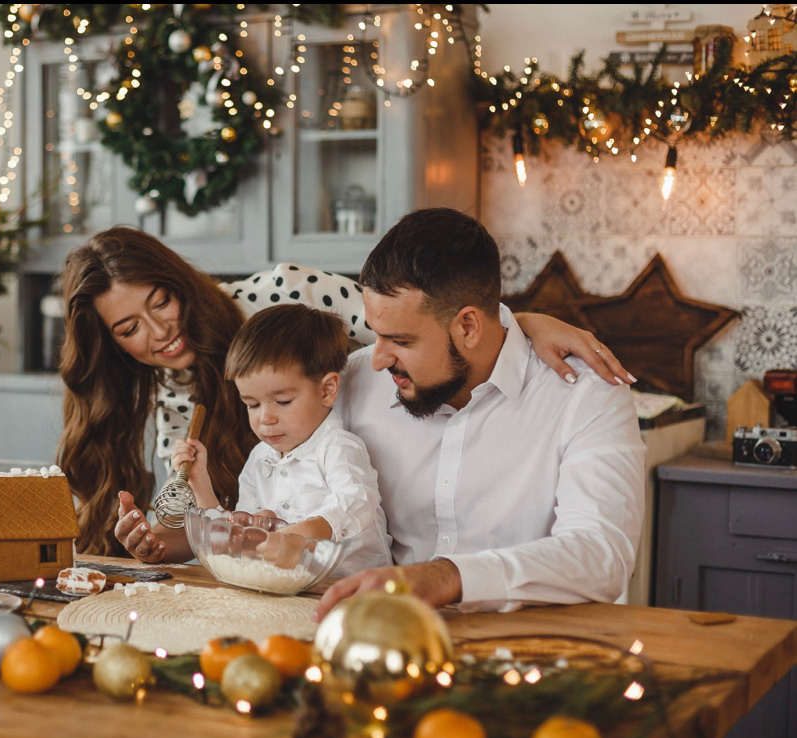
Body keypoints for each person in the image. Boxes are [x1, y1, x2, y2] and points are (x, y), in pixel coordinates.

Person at [57, 225, 630, 558]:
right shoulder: (176, 400)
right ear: (111, 346)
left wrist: (523, 324)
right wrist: (159, 540)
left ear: (179, 281)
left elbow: (417, 319)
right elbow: (228, 524)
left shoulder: (284, 293)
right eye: (130, 329)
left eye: (160, 302)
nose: (160, 333)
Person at [312, 207, 647, 620]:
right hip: (379, 641)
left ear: (469, 327)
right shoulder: (352, 383)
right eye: (376, 334)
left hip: (536, 654)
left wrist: (446, 578)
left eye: (399, 339)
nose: (379, 359)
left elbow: (601, 556)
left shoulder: (585, 395)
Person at [153, 303, 393, 575]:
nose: (265, 418)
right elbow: (236, 536)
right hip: (291, 591)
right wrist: (201, 484)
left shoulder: (338, 448)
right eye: (252, 405)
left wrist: (301, 534)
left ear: (327, 391)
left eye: (282, 401)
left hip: (354, 591)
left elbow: (357, 500)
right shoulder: (259, 459)